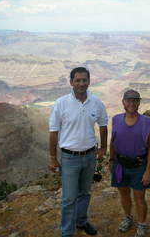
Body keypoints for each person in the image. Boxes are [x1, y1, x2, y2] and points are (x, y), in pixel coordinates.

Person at [49, 67, 108, 237]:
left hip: (90, 156)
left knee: (85, 192)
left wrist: (103, 148)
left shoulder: (97, 102)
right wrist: (53, 158)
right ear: (71, 82)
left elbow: (103, 125)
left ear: (89, 81)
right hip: (69, 157)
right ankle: (67, 232)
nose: (81, 83)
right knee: (68, 198)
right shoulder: (61, 103)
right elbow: (53, 132)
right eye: (78, 80)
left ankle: (81, 221)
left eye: (84, 80)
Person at [109, 89, 150, 237]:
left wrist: (148, 171)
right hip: (120, 164)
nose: (132, 103)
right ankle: (128, 217)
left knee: (139, 198)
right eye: (129, 100)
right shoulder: (116, 119)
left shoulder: (147, 122)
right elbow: (113, 141)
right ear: (123, 102)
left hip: (139, 166)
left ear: (139, 102)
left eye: (135, 100)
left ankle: (142, 224)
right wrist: (111, 160)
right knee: (124, 195)